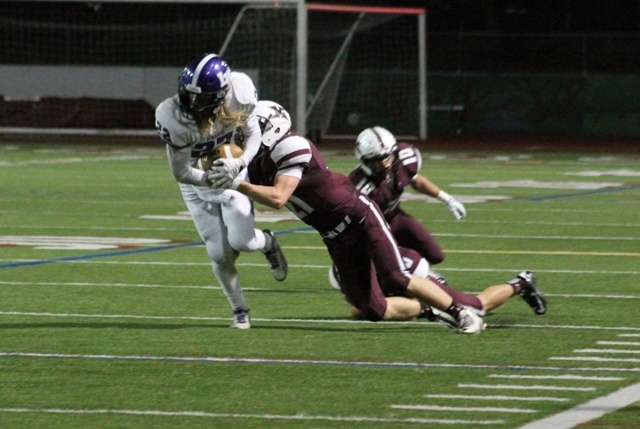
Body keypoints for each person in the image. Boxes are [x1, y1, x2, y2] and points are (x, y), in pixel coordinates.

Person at [208, 100, 490, 334]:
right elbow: (241, 188)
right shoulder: (257, 160)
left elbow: (279, 198)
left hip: (358, 215)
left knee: (396, 275)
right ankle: (430, 309)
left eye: (253, 129)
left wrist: (235, 183)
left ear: (271, 129)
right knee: (372, 310)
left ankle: (462, 313)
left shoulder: (292, 146)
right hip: (334, 236)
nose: (245, 135)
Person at [154, 53, 288, 330]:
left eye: (199, 98)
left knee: (243, 242)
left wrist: (239, 163)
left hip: (231, 172)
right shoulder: (173, 117)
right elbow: (181, 172)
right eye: (188, 95)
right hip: (196, 181)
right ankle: (240, 309)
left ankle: (268, 242)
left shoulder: (240, 92)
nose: (191, 103)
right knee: (219, 254)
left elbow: (253, 135)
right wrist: (213, 179)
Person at [329, 246, 547, 325]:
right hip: (398, 281)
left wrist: (427, 302)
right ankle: (428, 308)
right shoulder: (348, 269)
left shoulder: (377, 266)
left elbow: (413, 266)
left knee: (476, 307)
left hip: (414, 275)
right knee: (363, 310)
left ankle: (522, 281)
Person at [349, 126, 465, 266]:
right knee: (389, 266)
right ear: (366, 161)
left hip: (395, 216)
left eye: (388, 156)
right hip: (370, 229)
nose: (385, 162)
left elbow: (417, 181)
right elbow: (354, 223)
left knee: (435, 255)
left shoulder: (403, 160)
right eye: (378, 159)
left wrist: (447, 199)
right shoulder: (358, 186)